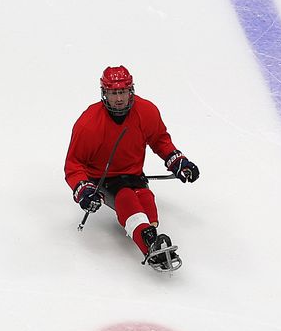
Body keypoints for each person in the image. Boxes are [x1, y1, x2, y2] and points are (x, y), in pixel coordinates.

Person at [65, 66, 199, 271]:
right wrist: (84, 190)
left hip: (133, 174)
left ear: (131, 91)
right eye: (113, 93)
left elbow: (160, 140)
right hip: (102, 179)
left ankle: (151, 234)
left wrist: (178, 161)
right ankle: (148, 245)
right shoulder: (89, 124)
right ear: (105, 94)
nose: (119, 99)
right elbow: (74, 165)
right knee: (126, 197)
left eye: (123, 92)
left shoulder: (147, 112)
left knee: (146, 199)